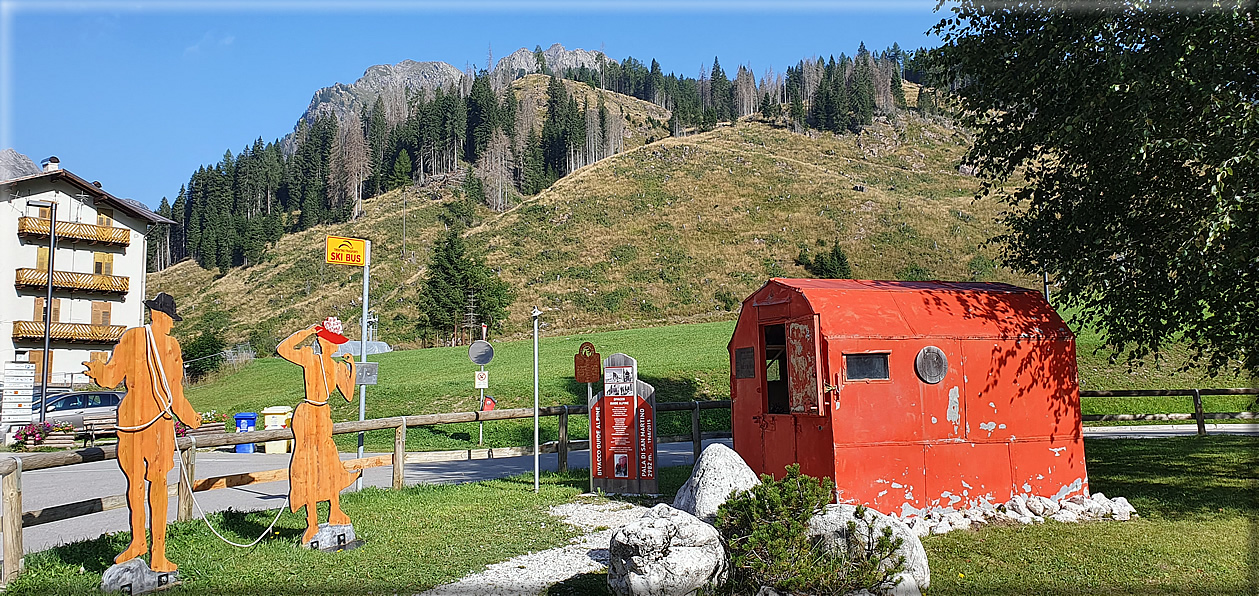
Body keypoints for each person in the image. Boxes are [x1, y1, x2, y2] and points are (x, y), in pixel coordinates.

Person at [82, 292, 201, 572]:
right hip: (143, 424)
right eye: (170, 318)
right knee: (141, 484)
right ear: (161, 315)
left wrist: (189, 416)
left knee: (149, 484)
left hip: (148, 423)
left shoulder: (165, 344)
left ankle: (157, 551)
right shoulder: (140, 339)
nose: (171, 323)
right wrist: (99, 370)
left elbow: (172, 390)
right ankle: (141, 544)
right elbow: (114, 376)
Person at [276, 318, 359, 544]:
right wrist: (305, 332)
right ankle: (312, 520)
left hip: (324, 414)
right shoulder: (309, 359)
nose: (335, 346)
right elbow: (282, 349)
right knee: (308, 464)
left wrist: (351, 367)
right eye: (331, 341)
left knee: (330, 461)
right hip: (307, 413)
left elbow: (349, 394)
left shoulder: (335, 366)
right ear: (321, 341)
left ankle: (334, 511)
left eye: (337, 342)